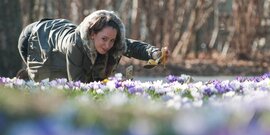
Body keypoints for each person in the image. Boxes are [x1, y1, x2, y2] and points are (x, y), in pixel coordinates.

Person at [17, 10, 165, 82]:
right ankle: (26, 77)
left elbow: (132, 46)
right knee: (47, 78)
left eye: (112, 40)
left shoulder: (111, 41)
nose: (108, 45)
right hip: (35, 36)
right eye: (104, 39)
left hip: (56, 33)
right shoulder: (74, 44)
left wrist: (154, 53)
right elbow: (78, 85)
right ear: (92, 34)